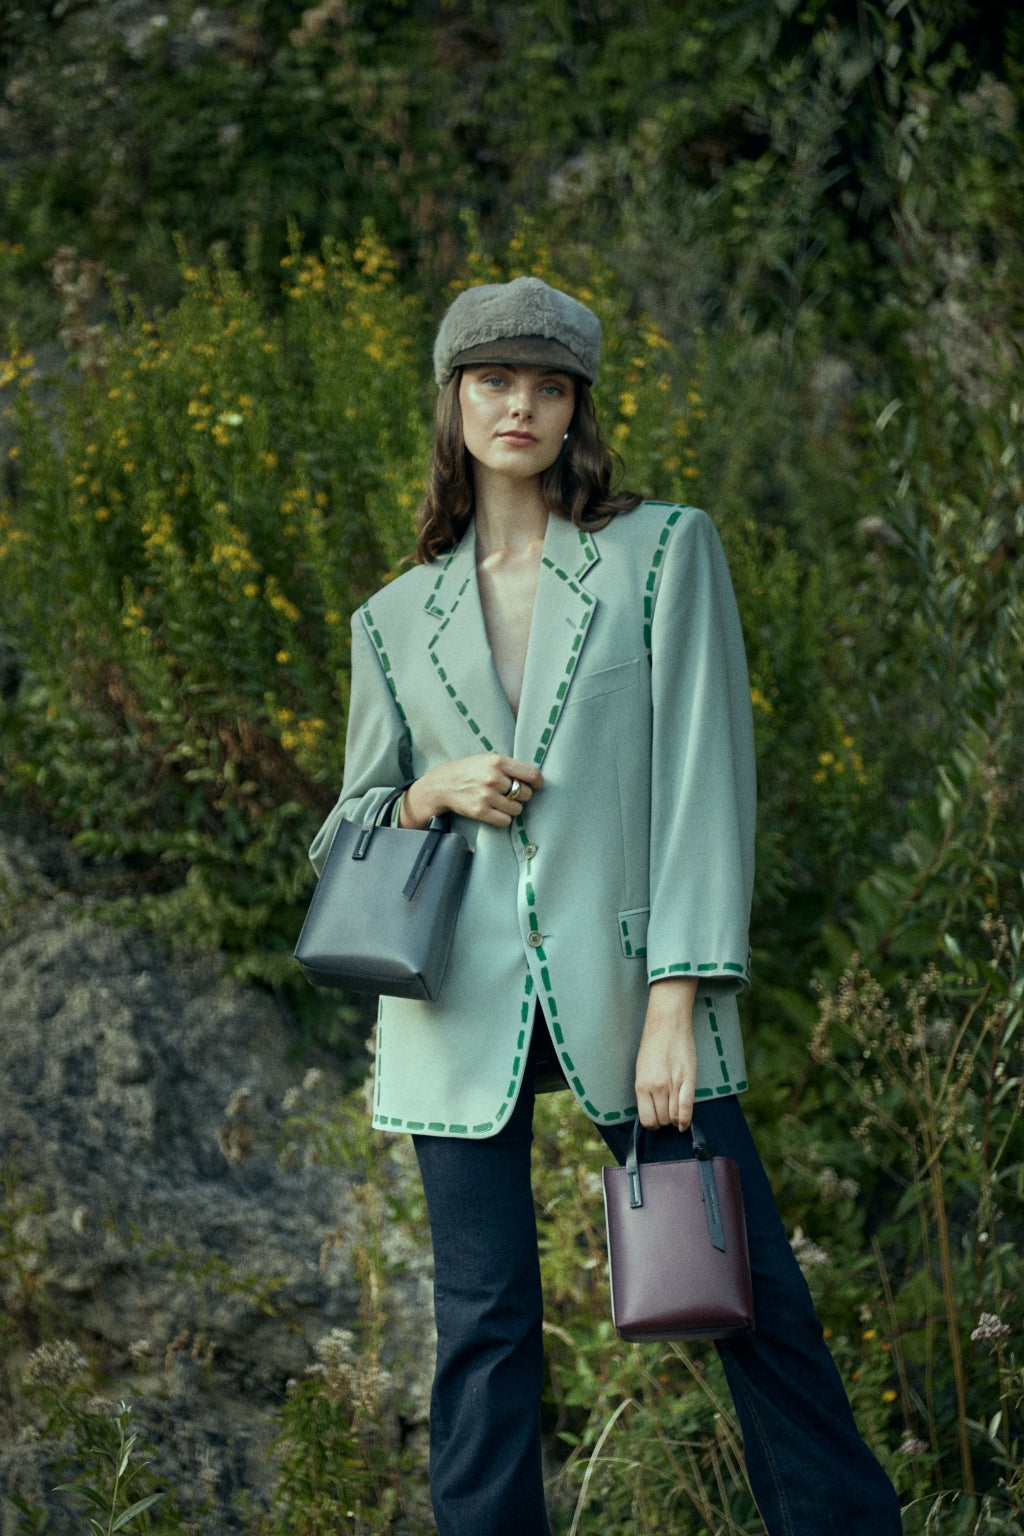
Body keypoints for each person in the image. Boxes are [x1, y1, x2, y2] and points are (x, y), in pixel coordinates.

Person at [310, 276, 902, 1536]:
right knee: (482, 1329)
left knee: (745, 1296)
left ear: (576, 406)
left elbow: (704, 782)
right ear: (453, 401)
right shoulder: (391, 616)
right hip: (453, 1007)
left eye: (545, 384)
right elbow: (342, 826)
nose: (517, 404)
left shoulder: (662, 551)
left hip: (638, 994)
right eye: (491, 380)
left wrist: (678, 1000)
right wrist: (427, 792)